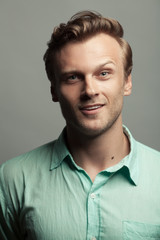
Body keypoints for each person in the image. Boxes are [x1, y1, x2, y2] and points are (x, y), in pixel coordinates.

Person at [0, 10, 160, 240]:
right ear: (54, 90)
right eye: (73, 77)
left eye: (104, 73)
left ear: (127, 81)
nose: (90, 90)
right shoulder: (13, 179)